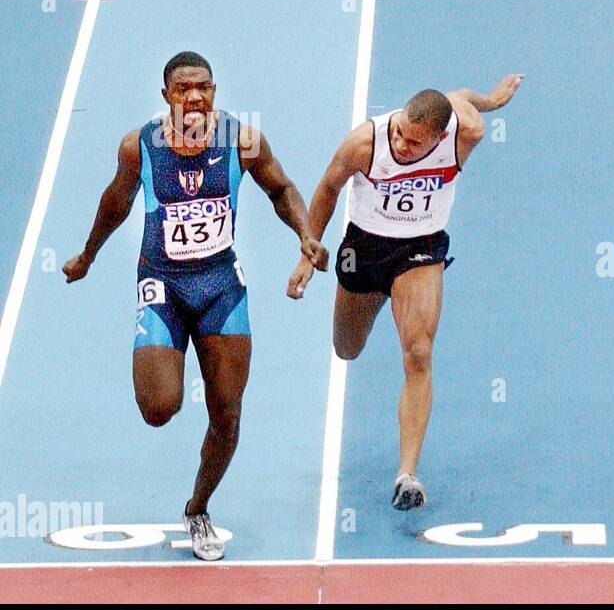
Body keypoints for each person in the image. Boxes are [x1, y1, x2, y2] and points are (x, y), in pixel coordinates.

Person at [62, 51, 327, 559]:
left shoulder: (242, 141)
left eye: (204, 86)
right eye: (183, 88)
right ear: (167, 97)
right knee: (159, 408)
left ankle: (198, 508)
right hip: (162, 284)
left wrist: (305, 235)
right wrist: (88, 255)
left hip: (220, 287)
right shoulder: (140, 147)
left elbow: (281, 188)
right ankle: (173, 354)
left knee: (226, 413)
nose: (195, 96)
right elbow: (115, 201)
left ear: (214, 91)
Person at [288, 74, 523, 509]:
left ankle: (407, 474)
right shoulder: (366, 142)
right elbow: (327, 187)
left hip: (421, 247)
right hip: (364, 248)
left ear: (440, 136)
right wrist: (308, 252)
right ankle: (378, 299)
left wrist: (491, 100)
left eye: (415, 143)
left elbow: (461, 98)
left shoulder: (465, 132)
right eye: (399, 133)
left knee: (418, 351)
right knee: (346, 348)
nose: (401, 146)